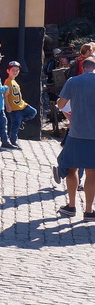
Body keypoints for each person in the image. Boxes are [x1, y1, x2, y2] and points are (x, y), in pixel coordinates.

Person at [56, 57, 95, 220]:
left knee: (72, 170)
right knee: (92, 174)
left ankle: (71, 206)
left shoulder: (73, 81)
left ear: (83, 66)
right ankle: (89, 211)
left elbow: (60, 104)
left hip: (77, 133)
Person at [3, 60, 37, 149]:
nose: (15, 72)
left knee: (33, 112)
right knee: (15, 124)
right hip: (14, 108)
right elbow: (5, 95)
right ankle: (13, 141)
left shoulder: (14, 81)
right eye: (13, 70)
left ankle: (22, 120)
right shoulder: (8, 82)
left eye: (17, 70)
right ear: (8, 71)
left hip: (21, 105)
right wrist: (7, 105)